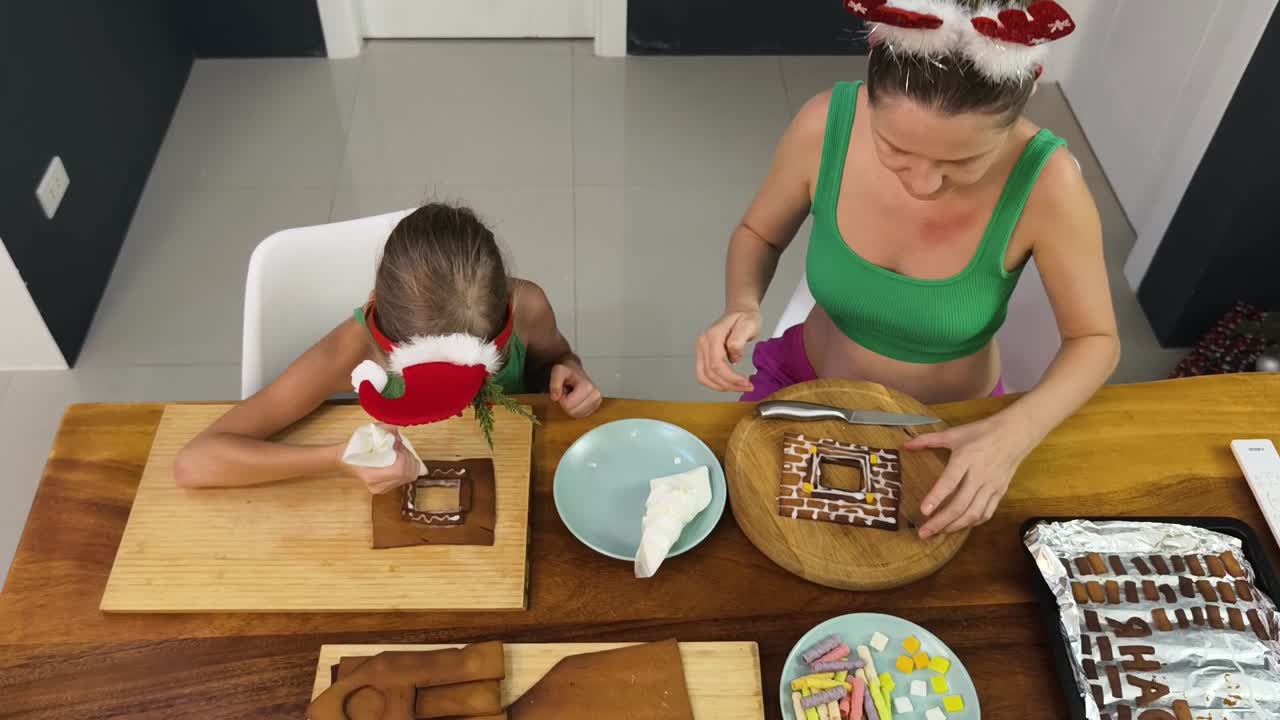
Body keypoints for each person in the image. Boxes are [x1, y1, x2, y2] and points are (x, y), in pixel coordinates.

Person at [695, 0, 1119, 538]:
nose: (922, 185)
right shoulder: (824, 125)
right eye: (894, 149)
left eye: (961, 163)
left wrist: (1014, 434)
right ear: (869, 96)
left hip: (949, 427)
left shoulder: (1049, 184)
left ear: (1028, 92)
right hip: (803, 388)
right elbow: (759, 233)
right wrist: (742, 304)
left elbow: (1096, 338)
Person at [176, 203, 601, 492]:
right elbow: (194, 462)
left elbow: (556, 360)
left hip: (520, 472)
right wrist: (336, 458)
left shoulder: (528, 305)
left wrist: (566, 372)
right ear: (381, 321)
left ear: (504, 310)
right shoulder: (351, 348)